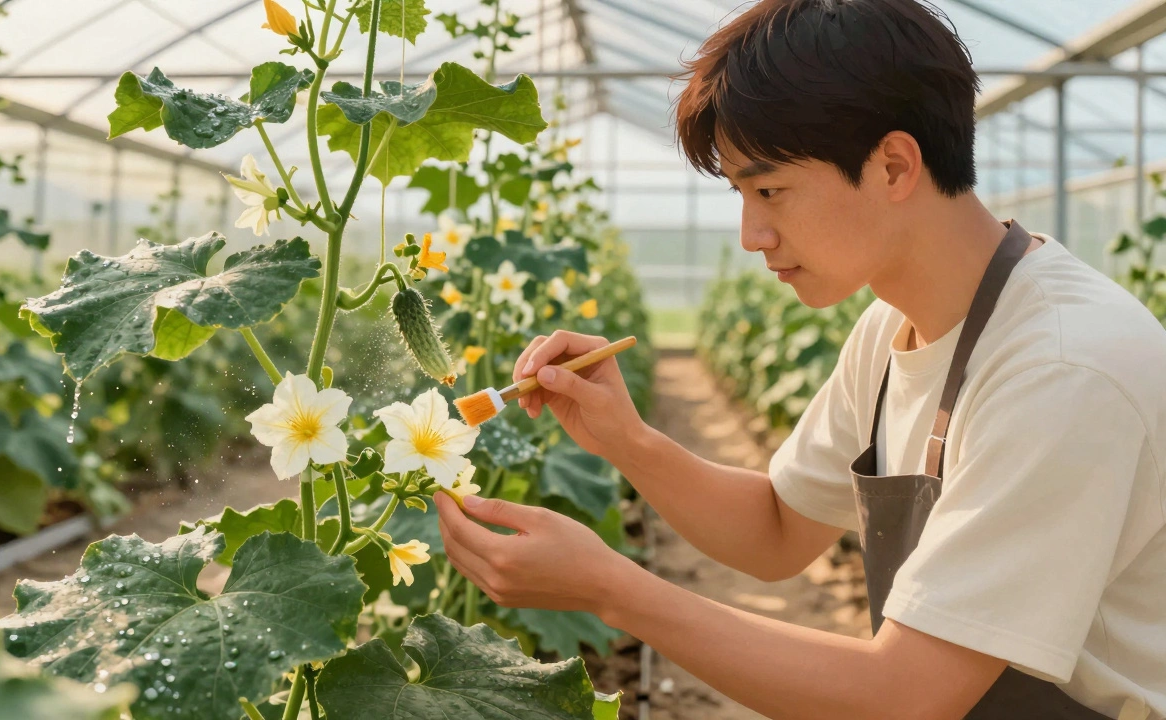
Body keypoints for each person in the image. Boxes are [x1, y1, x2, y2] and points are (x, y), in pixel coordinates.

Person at [432, 0, 1166, 717]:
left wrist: (612, 588)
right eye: (740, 194)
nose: (753, 234)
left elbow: (907, 695)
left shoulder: (1062, 369)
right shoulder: (892, 328)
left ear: (894, 166)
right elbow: (779, 529)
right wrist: (625, 439)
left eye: (771, 190)